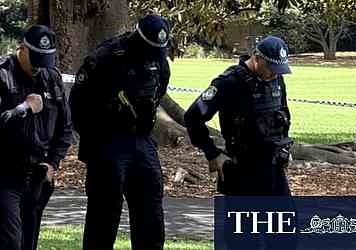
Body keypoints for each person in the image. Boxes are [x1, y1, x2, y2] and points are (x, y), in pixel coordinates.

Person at [69, 15, 170, 250]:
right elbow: (78, 104)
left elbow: (158, 91)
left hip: (141, 139)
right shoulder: (107, 57)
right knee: (105, 213)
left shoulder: (159, 60)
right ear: (139, 37)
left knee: (151, 208)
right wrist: (97, 143)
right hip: (107, 141)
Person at [184, 35, 293, 196]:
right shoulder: (229, 82)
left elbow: (283, 113)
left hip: (273, 167)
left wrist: (284, 147)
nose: (275, 74)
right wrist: (212, 154)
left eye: (279, 70)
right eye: (271, 68)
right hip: (243, 170)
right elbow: (193, 117)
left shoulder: (276, 80)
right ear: (256, 59)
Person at [0, 25, 72, 250]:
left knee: (28, 243)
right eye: (36, 59)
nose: (39, 67)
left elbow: (65, 127)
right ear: (23, 48)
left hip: (37, 176)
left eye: (45, 60)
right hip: (4, 174)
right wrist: (24, 108)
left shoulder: (51, 78)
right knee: (11, 241)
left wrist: (53, 163)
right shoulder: (3, 74)